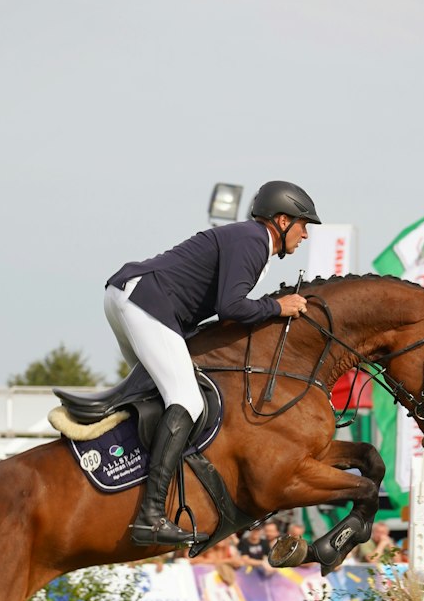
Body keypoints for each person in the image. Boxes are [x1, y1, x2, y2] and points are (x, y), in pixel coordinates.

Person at [104, 181, 320, 546]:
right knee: (186, 400)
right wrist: (278, 307)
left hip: (131, 296)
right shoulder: (253, 240)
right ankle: (150, 516)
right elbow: (231, 308)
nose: (305, 235)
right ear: (282, 220)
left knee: (158, 397)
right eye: (303, 225)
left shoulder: (252, 241)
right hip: (144, 301)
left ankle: (121, 474)